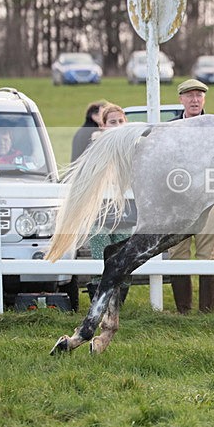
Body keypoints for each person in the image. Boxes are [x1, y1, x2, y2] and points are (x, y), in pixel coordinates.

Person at [167, 79, 214, 313]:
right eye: (189, 95)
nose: (194, 100)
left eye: (199, 95)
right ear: (181, 99)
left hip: (208, 197)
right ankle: (183, 310)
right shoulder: (170, 129)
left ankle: (206, 311)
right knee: (177, 251)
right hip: (178, 200)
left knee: (207, 251)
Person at [86, 104, 133, 303]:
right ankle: (99, 302)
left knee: (124, 252)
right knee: (99, 246)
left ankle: (118, 302)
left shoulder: (132, 148)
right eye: (112, 122)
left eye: (120, 121)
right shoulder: (96, 149)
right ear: (103, 125)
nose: (117, 125)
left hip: (126, 212)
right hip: (100, 211)